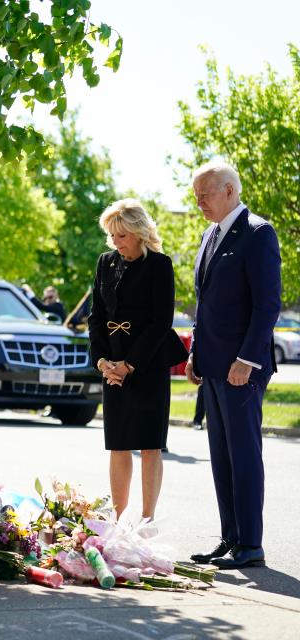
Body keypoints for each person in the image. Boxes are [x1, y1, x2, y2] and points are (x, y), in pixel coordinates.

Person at [186, 161, 280, 570]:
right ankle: (230, 538)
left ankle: (251, 545)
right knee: (222, 457)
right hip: (213, 367)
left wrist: (248, 358)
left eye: (204, 193)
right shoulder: (209, 234)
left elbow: (267, 304)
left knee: (243, 456)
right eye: (195, 195)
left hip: (242, 368)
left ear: (229, 190)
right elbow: (205, 302)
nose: (199, 201)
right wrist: (195, 353)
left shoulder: (258, 233)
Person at [87, 199, 187, 521]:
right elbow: (96, 317)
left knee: (148, 445)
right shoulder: (105, 263)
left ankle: (147, 519)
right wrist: (103, 362)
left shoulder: (160, 265)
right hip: (112, 365)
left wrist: (129, 365)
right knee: (117, 443)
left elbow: (161, 321)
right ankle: (117, 519)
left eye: (122, 236)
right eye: (112, 237)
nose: (116, 243)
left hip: (148, 365)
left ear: (139, 233)